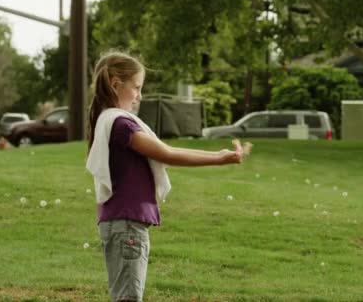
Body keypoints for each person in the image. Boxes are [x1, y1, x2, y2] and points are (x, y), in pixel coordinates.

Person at [85, 50, 251, 302]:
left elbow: (165, 152)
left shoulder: (108, 121)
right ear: (116, 84)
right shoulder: (121, 125)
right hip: (127, 225)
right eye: (137, 88)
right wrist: (220, 158)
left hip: (121, 223)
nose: (139, 96)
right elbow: (167, 153)